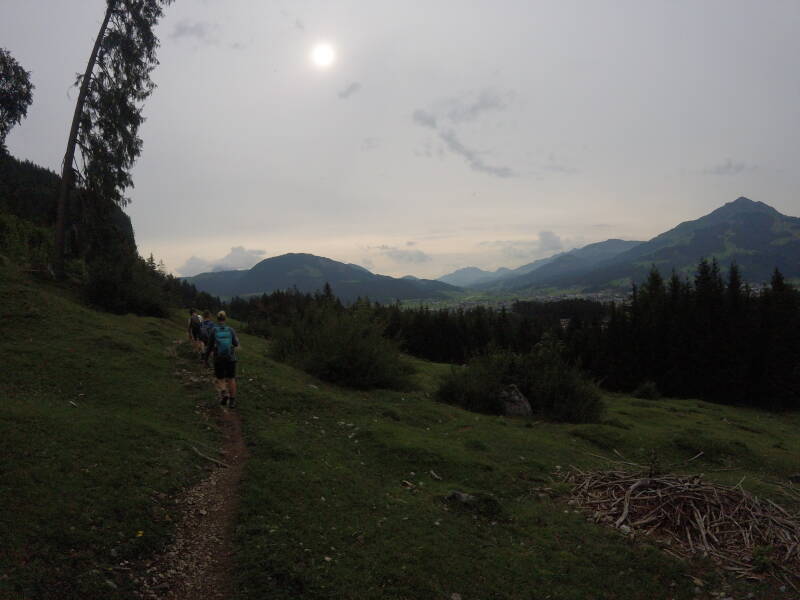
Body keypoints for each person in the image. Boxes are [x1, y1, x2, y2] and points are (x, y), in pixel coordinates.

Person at [203, 310, 240, 408]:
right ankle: (232, 401)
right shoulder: (230, 330)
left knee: (220, 378)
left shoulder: (214, 330)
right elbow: (236, 343)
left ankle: (224, 392)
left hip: (218, 358)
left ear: (217, 319)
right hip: (230, 358)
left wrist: (205, 359)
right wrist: (236, 340)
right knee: (231, 378)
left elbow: (209, 346)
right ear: (225, 319)